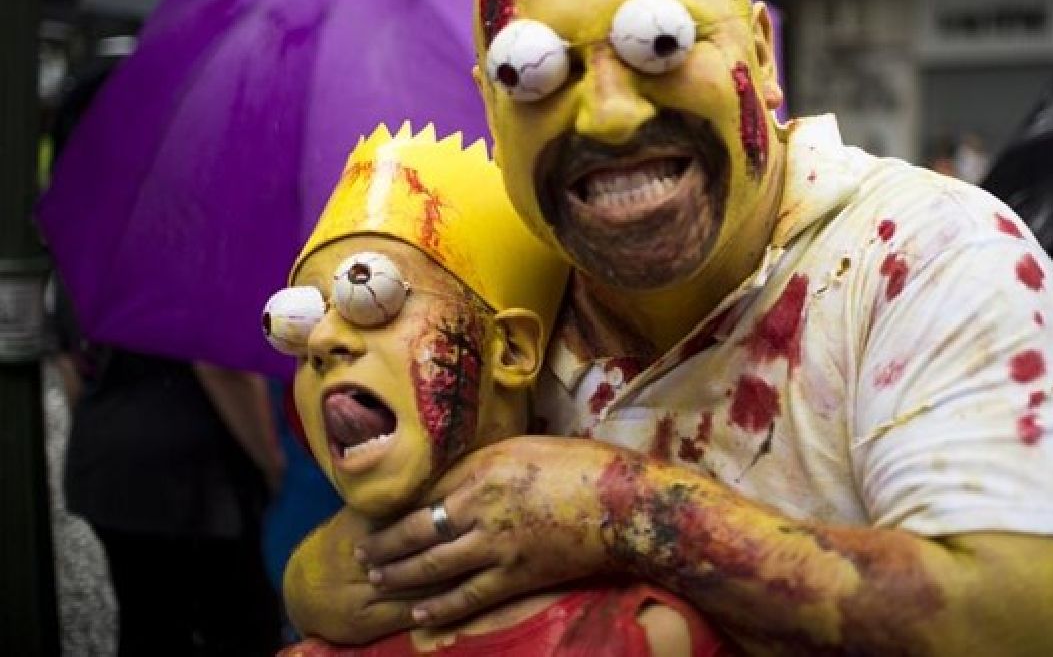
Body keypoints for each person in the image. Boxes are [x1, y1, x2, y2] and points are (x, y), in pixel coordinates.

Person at [287, 0, 1053, 654]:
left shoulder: (922, 252)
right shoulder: (504, 296)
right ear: (493, 113)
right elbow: (392, 542)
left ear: (760, 54)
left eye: (659, 42)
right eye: (533, 71)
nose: (608, 115)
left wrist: (623, 507)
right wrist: (316, 575)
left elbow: (1042, 627)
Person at [270, 123, 730, 654]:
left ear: (509, 349)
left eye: (369, 292)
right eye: (296, 321)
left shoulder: (645, 637)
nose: (321, 339)